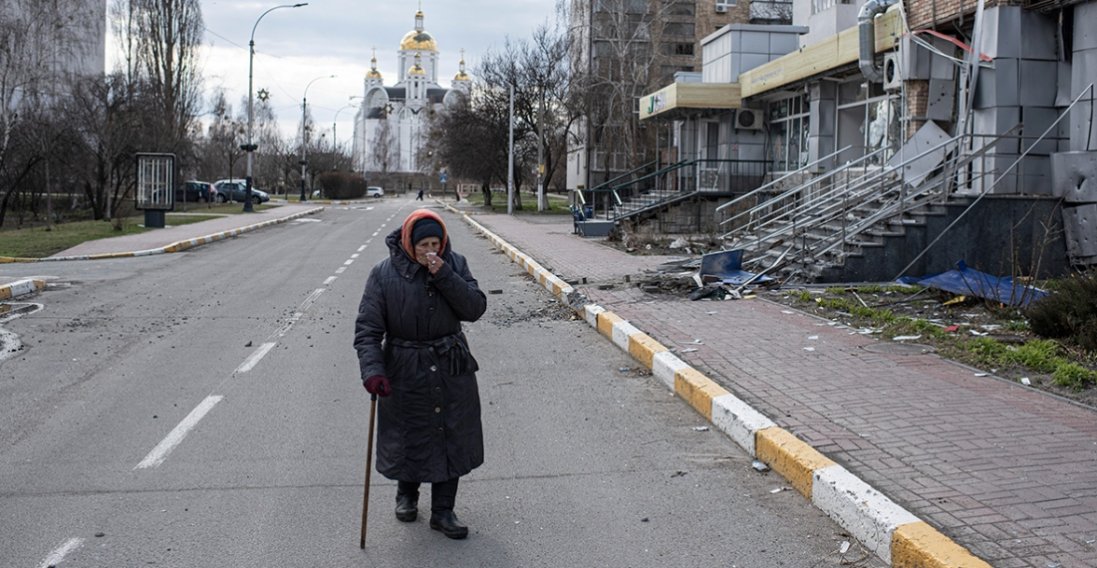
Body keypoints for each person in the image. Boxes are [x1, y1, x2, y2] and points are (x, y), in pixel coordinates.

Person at [353, 209, 487, 540]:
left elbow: (474, 308)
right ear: (408, 243)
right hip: (405, 366)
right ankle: (406, 495)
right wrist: (373, 371)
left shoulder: (455, 264)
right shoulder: (383, 275)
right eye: (423, 244)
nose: (430, 251)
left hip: (450, 363)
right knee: (409, 431)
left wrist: (444, 275)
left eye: (435, 243)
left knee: (450, 433)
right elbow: (368, 330)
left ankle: (444, 510)